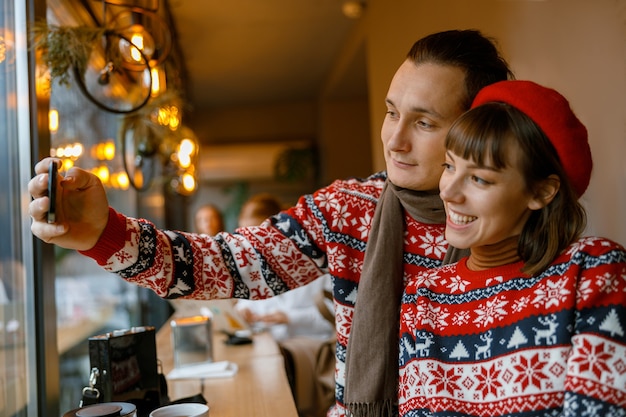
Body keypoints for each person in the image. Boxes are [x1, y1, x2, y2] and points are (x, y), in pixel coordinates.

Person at [28, 29, 513, 417]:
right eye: (391, 113)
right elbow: (223, 265)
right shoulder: (352, 209)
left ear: (479, 129)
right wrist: (104, 232)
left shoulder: (520, 228)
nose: (396, 140)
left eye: (424, 123)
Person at [398, 80, 626, 416]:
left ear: (541, 192)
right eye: (450, 166)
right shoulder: (424, 296)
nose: (448, 192)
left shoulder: (592, 272)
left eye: (480, 179)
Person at [235, 193, 334, 342]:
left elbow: (335, 317)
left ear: (278, 228)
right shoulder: (256, 266)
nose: (252, 245)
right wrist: (242, 311)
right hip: (270, 346)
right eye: (246, 239)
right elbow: (247, 302)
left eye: (256, 237)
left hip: (313, 348)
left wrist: (290, 317)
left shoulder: (318, 261)